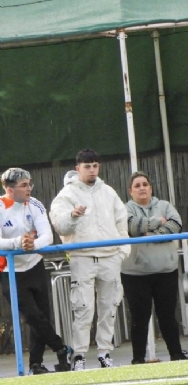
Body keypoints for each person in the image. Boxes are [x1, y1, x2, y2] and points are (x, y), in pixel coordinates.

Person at [50, 149, 131, 371]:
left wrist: (122, 251)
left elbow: (121, 222)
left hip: (110, 257)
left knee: (109, 307)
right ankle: (80, 355)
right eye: (87, 166)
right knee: (83, 308)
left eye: (95, 165)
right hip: (82, 257)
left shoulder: (108, 192)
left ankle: (105, 352)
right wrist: (73, 215)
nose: (92, 169)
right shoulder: (67, 195)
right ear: (78, 168)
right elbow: (59, 225)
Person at [0, 168, 73, 375]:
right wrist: (18, 243)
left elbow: (47, 236)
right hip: (10, 269)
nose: (29, 188)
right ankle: (61, 347)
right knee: (32, 316)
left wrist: (32, 245)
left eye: (29, 184)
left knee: (42, 315)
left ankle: (36, 364)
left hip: (35, 265)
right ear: (9, 189)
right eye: (24, 185)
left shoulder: (36, 204)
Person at [121, 171, 188, 364]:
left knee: (167, 315)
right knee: (139, 318)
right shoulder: (123, 209)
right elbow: (130, 227)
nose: (142, 188)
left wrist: (147, 235)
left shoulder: (165, 205)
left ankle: (176, 354)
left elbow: (176, 226)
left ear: (150, 188)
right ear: (130, 191)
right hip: (135, 273)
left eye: (145, 184)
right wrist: (158, 222)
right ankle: (138, 358)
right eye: (137, 185)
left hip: (165, 271)